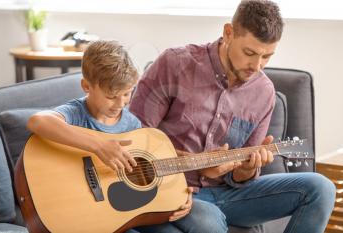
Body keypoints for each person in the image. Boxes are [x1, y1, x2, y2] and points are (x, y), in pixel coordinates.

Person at [129, 0, 336, 233]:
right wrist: (199, 164)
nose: (257, 66)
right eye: (250, 53)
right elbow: (133, 138)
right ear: (228, 33)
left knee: (321, 188)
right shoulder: (175, 63)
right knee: (209, 222)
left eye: (267, 56)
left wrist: (247, 169)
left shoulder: (264, 92)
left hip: (227, 195)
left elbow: (239, 178)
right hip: (169, 187)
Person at [26, 40, 191, 232]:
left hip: (119, 210)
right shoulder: (76, 113)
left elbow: (146, 172)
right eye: (111, 96)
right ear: (86, 86)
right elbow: (37, 121)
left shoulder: (132, 124)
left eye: (127, 94)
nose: (120, 104)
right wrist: (99, 146)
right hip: (85, 213)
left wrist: (180, 193)